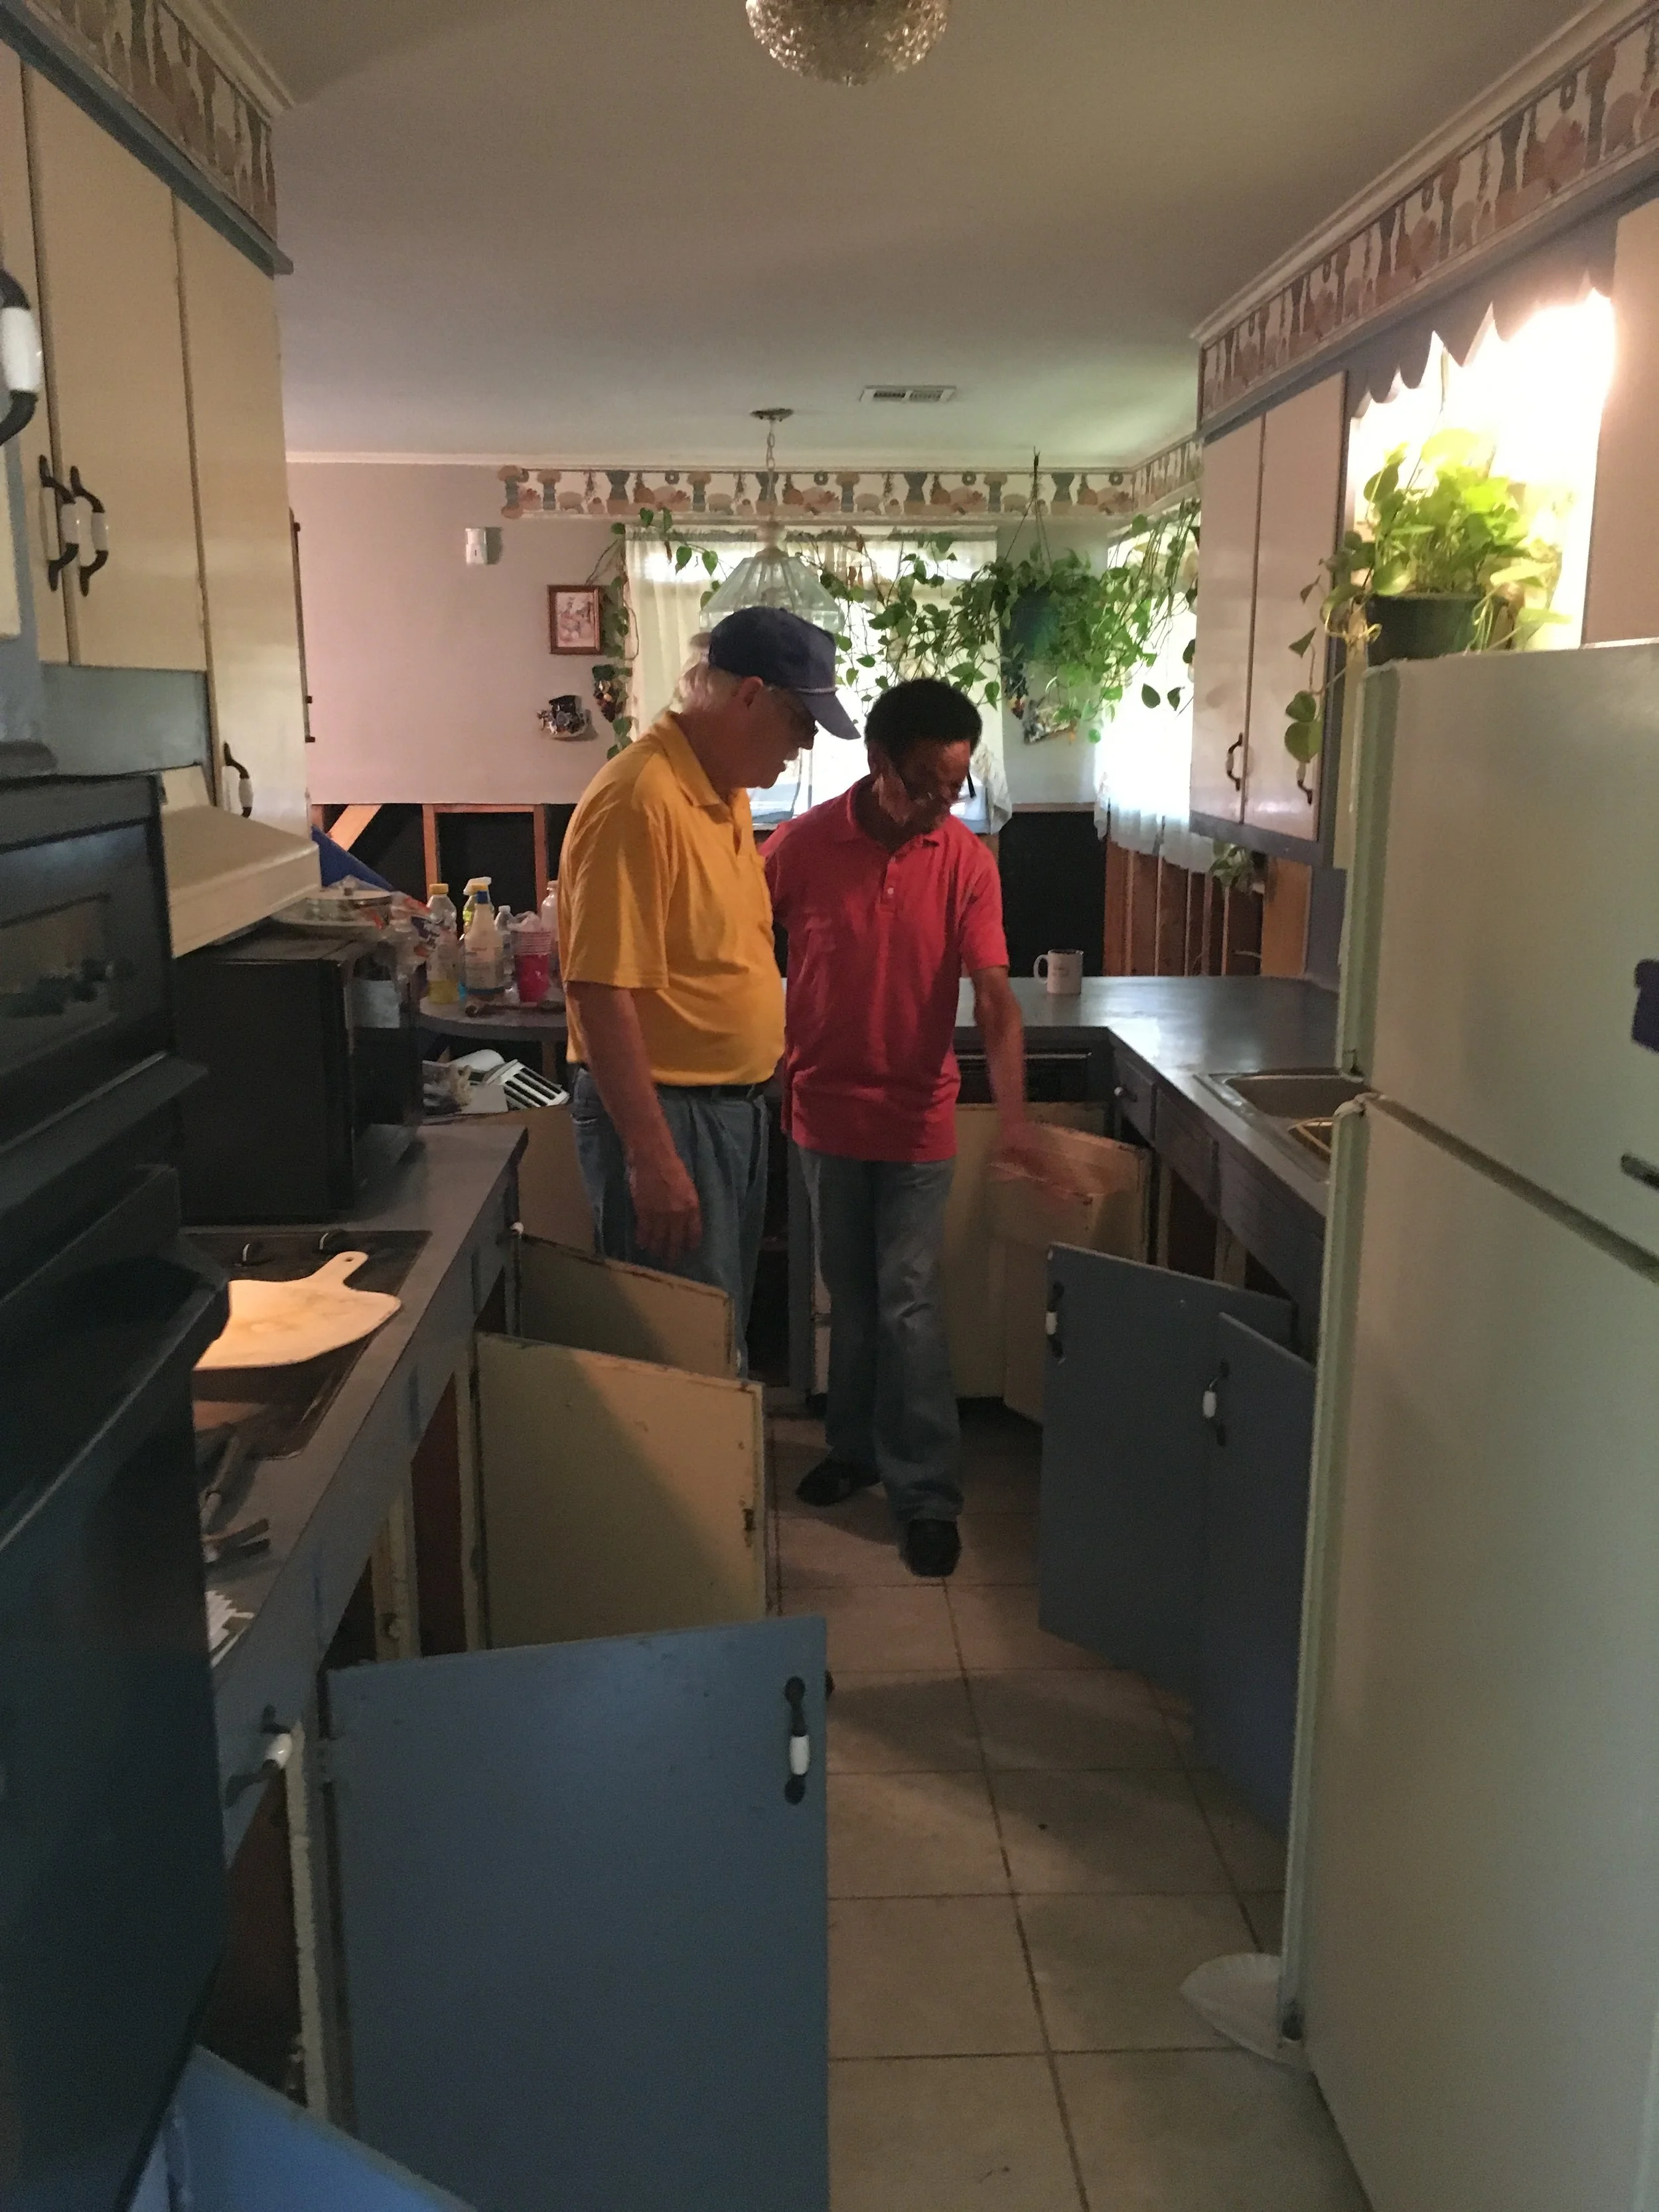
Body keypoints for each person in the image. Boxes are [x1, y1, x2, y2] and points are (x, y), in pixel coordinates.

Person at [764, 678, 1054, 1579]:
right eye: (930, 782)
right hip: (821, 1113)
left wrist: (1014, 1117)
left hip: (919, 1115)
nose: (946, 803)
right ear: (877, 761)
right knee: (850, 1301)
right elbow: (738, 952)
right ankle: (852, 1451)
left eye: (959, 784)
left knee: (911, 1306)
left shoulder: (965, 860)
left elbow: (997, 999)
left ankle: (926, 1491)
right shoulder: (798, 848)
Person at [558, 606, 859, 1349]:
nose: (806, 744)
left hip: (723, 1114)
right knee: (679, 1351)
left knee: (712, 1331)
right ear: (749, 696)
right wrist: (654, 1158)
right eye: (800, 722)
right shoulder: (640, 799)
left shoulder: (720, 794)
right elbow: (600, 992)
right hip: (671, 1117)